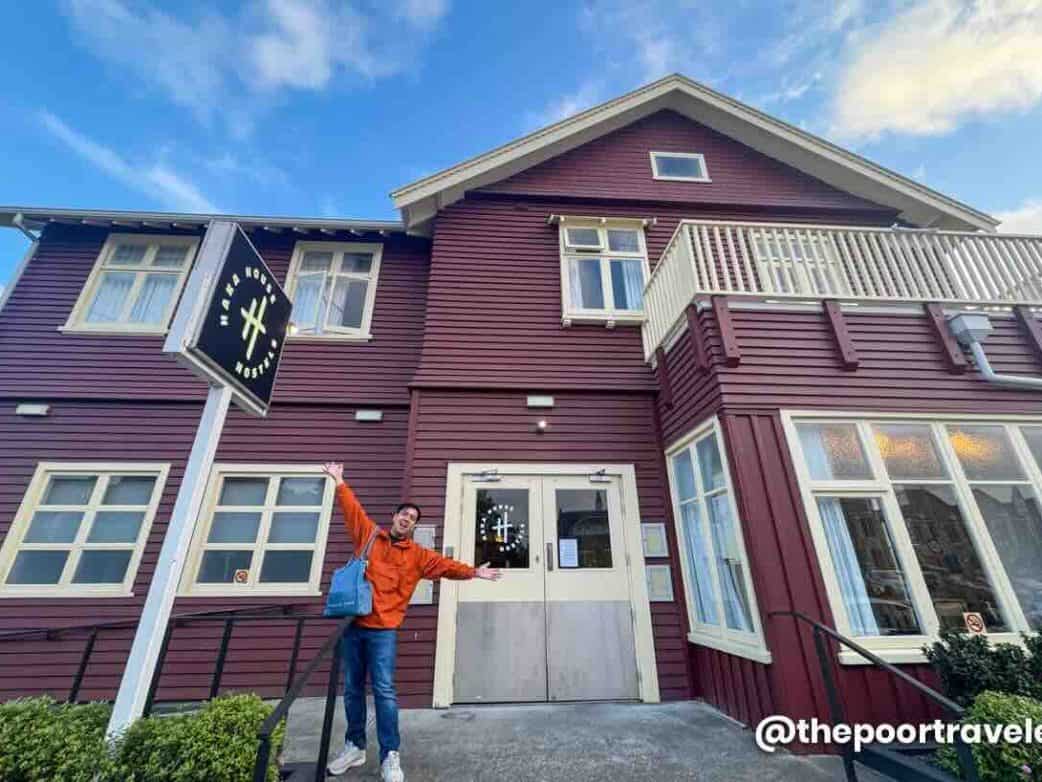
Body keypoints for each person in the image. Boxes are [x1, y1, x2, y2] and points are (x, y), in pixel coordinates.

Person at [321, 462, 501, 782]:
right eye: (404, 513)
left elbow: (446, 566)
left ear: (414, 526)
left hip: (384, 630)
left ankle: (390, 755)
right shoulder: (369, 536)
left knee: (384, 692)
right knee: (351, 689)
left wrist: (475, 572)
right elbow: (352, 509)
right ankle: (355, 746)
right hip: (353, 625)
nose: (407, 518)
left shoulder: (418, 555)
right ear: (394, 517)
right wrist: (339, 481)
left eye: (413, 518)